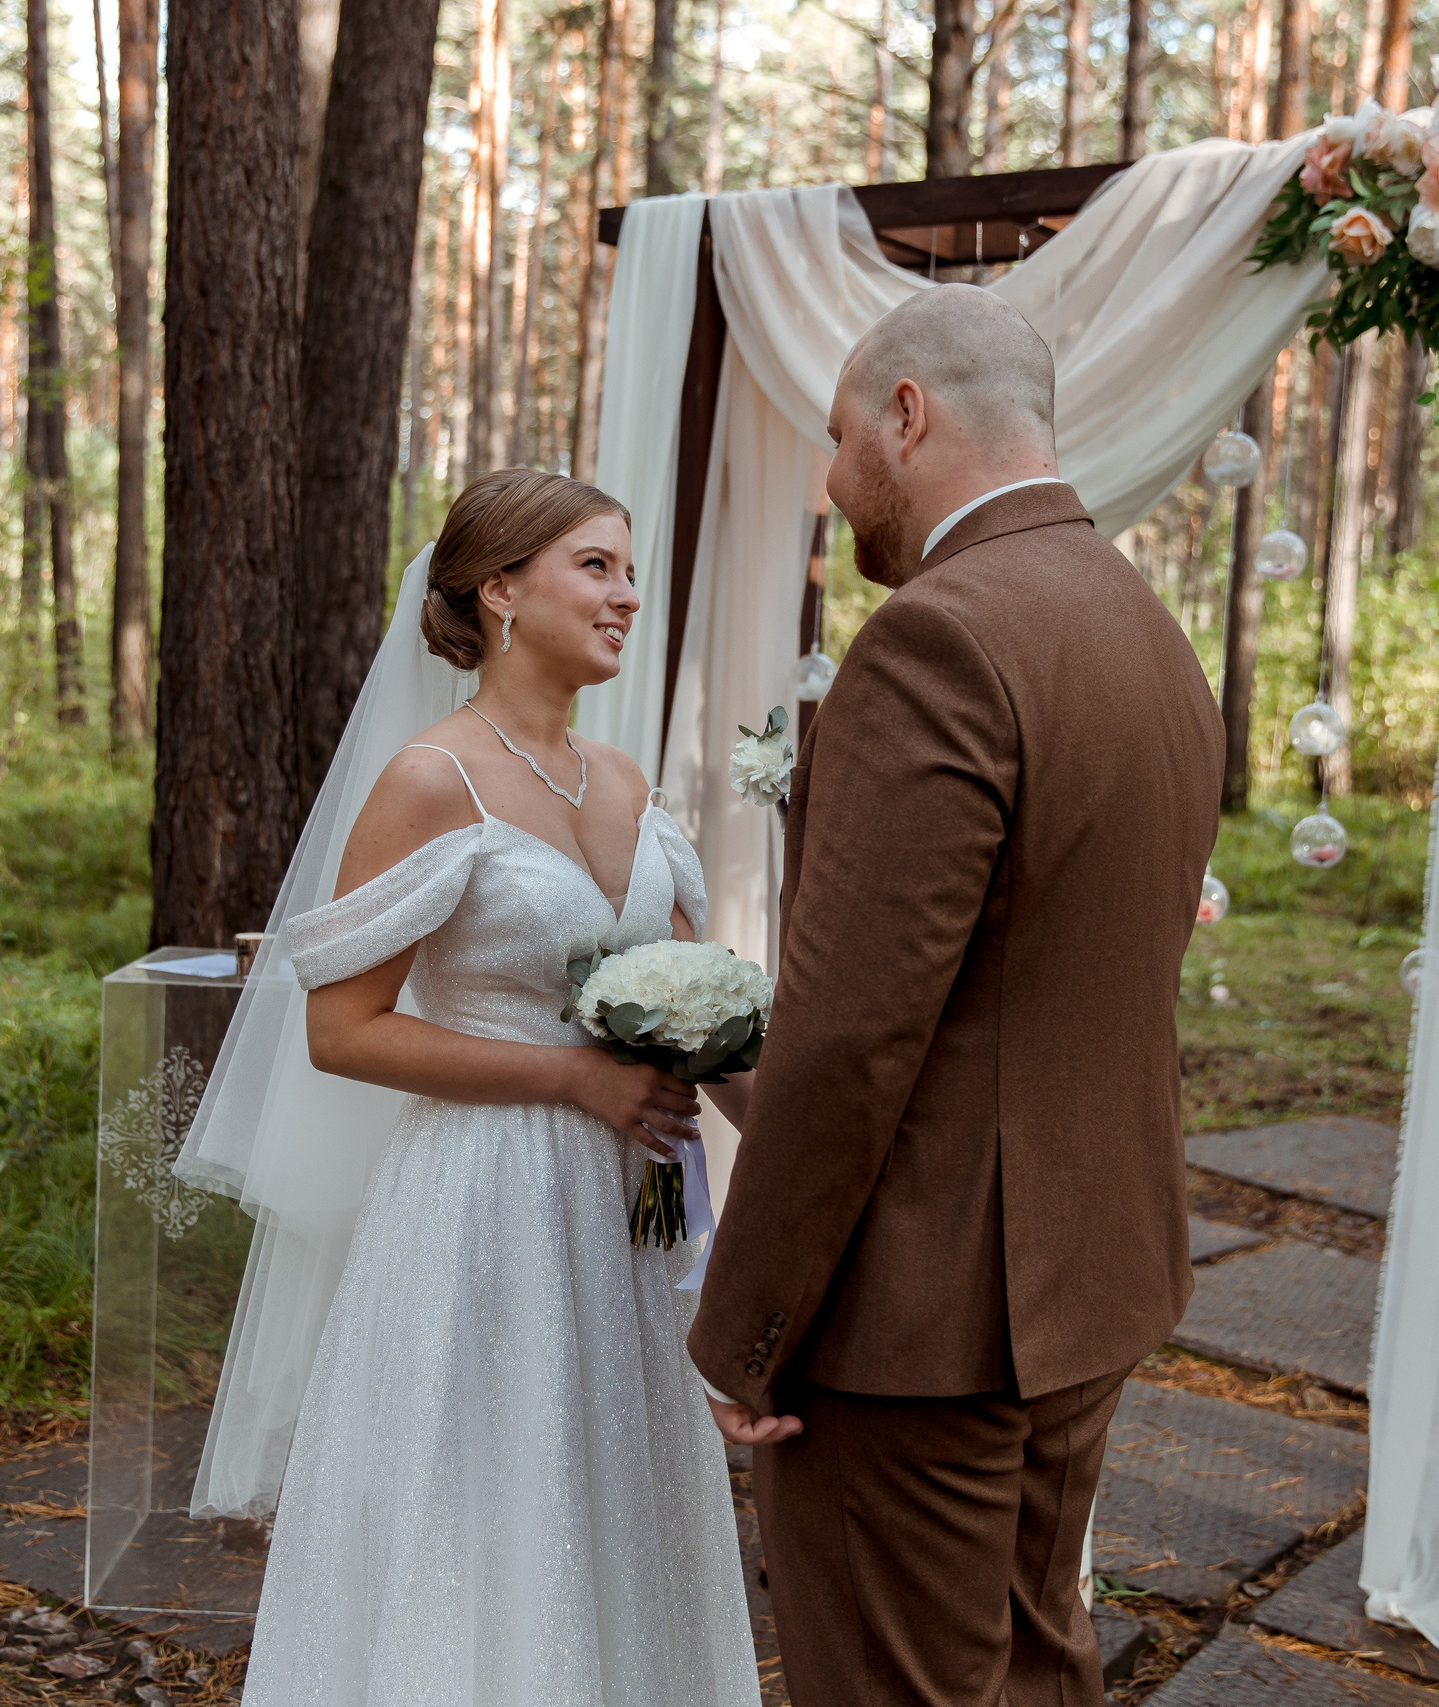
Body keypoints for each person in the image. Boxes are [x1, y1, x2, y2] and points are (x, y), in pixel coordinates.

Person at [690, 283, 1225, 1705]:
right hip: (1093, 1275)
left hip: (923, 1320)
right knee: (1039, 1661)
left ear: (909, 417)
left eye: (840, 435)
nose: (831, 478)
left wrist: (750, 1323)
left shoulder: (938, 638)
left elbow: (853, 1034)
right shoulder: (1141, 624)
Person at [207, 469, 759, 1707]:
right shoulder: (429, 779)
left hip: (636, 1206)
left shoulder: (628, 785)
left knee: (623, 1498)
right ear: (501, 590)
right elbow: (343, 1033)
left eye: (629, 568)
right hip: (482, 1203)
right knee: (487, 1500)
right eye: (597, 566)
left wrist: (812, 1148)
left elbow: (703, 1019)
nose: (628, 594)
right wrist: (571, 1079)